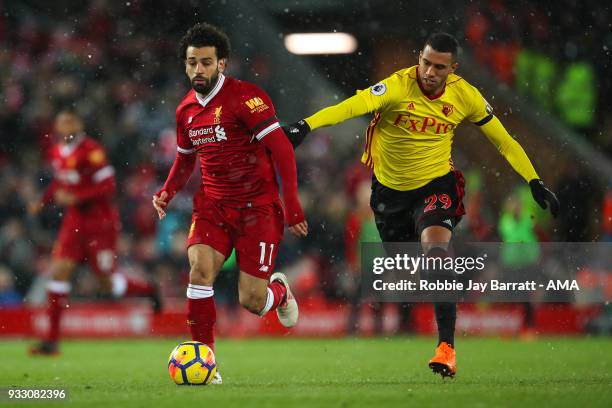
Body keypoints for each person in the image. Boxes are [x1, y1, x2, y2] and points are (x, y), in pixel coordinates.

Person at [283, 32, 559, 378]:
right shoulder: (398, 86)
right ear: (419, 57)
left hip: (435, 185)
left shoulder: (465, 96)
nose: (429, 71)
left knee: (436, 254)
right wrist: (306, 125)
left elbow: (505, 142)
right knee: (407, 270)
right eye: (426, 62)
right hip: (389, 194)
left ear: (452, 69)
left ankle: (446, 348)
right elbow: (350, 107)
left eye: (439, 67)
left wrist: (534, 180)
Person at [152, 23, 307, 385]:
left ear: (222, 63)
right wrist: (167, 191)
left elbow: (281, 148)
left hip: (258, 210)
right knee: (199, 271)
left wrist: (293, 203)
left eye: (206, 62)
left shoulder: (247, 97)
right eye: (192, 63)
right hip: (213, 206)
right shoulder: (186, 111)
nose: (198, 70)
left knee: (252, 301)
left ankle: (279, 293)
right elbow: (185, 158)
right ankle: (206, 363)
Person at [29, 109, 160, 356]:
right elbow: (61, 181)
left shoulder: (92, 151)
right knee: (58, 273)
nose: (65, 127)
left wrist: (76, 196)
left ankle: (148, 290)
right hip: (73, 223)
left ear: (78, 125)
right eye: (61, 123)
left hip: (99, 224)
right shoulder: (57, 151)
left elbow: (108, 185)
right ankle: (51, 342)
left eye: (69, 122)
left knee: (107, 282)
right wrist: (43, 201)